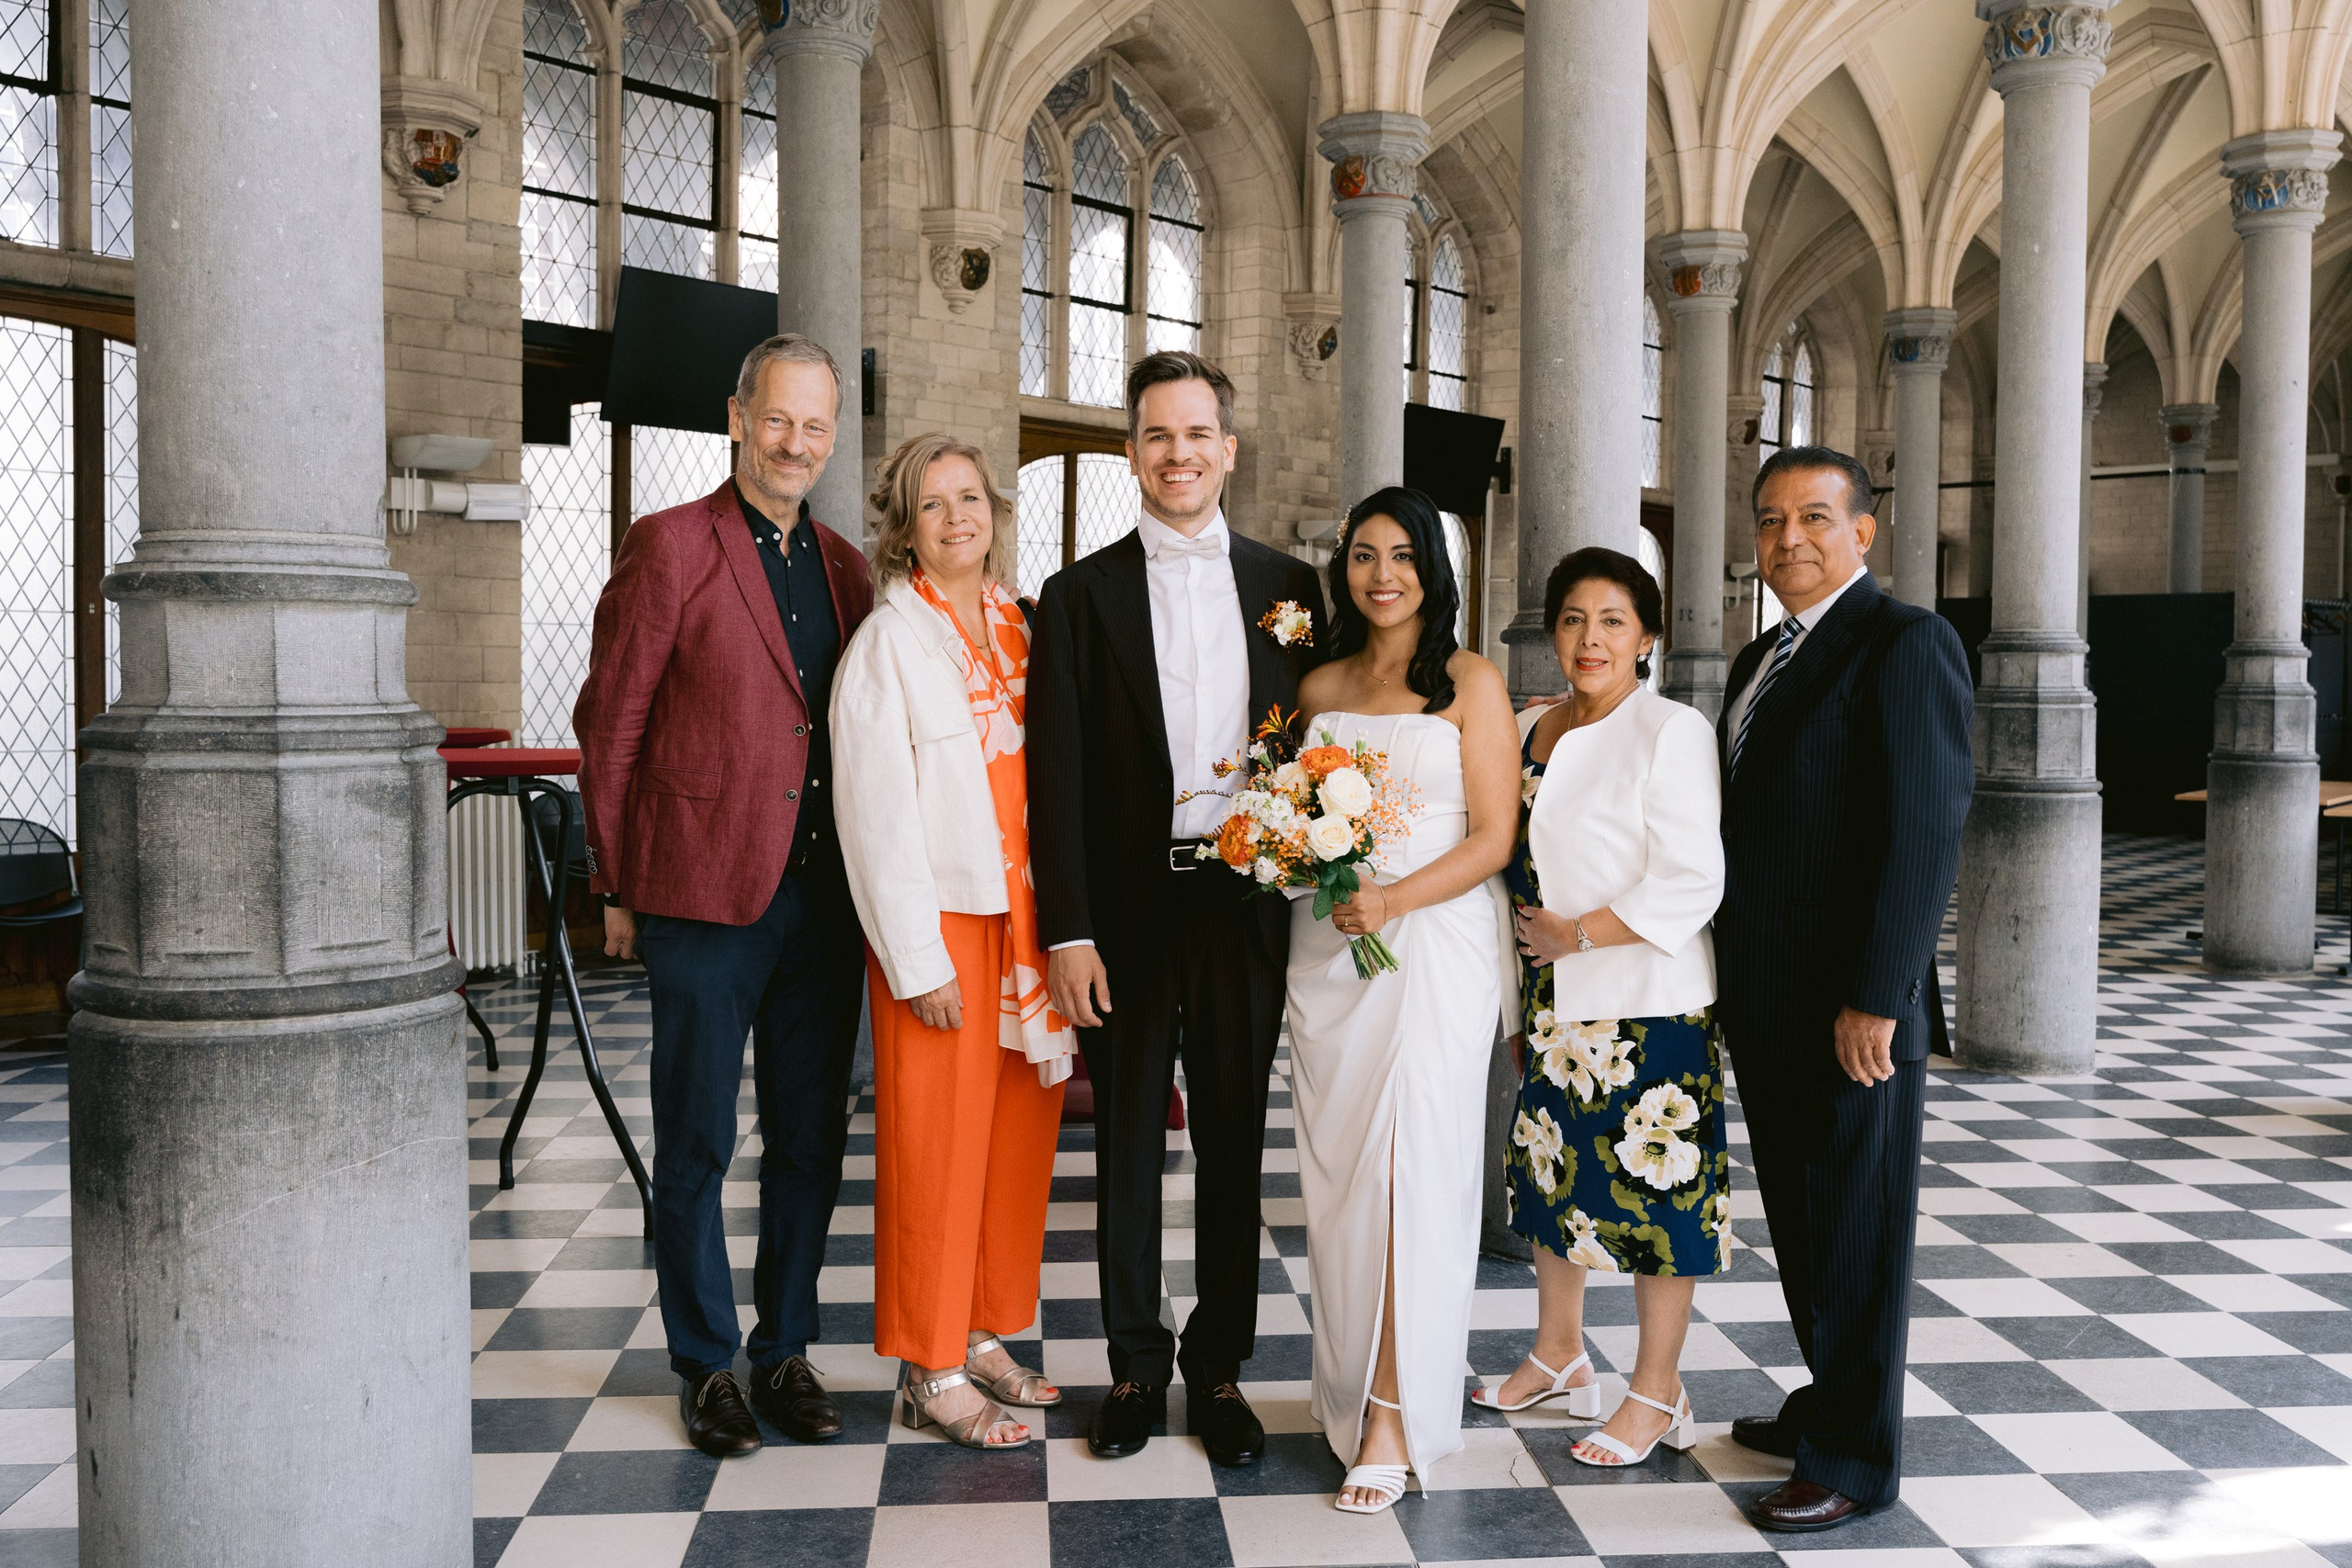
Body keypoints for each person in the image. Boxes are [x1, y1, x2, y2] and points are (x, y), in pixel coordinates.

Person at [573, 333, 874, 1460]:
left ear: (832, 437)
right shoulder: (669, 544)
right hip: (702, 892)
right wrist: (614, 882)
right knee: (696, 1137)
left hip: (822, 900)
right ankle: (705, 1363)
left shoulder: (846, 568)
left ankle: (783, 1348)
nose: (796, 442)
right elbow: (611, 723)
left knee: (808, 1139)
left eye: (816, 425)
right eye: (778, 419)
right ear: (737, 417)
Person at [1027, 350, 1326, 1467]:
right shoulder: (1077, 596)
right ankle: (1134, 1368)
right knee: (1125, 1149)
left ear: (1228, 449)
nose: (1178, 453)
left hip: (1246, 903)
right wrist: (1069, 930)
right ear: (1131, 453)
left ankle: (1221, 1369)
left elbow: (1321, 730)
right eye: (1157, 435)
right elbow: (1054, 777)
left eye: (1197, 433)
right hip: (1126, 911)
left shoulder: (1293, 591)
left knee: (1237, 1143)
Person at [1715, 445, 1972, 1533]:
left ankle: (1857, 1460)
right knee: (1804, 1220)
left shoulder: (1905, 642)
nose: (1789, 539)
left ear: (1862, 532)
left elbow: (1924, 830)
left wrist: (1879, 993)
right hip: (1766, 998)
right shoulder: (1758, 657)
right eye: (1771, 520)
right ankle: (1827, 1401)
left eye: (1814, 517)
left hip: (1851, 1009)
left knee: (1858, 1232)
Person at [832, 433, 1074, 1451]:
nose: (956, 517)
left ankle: (979, 1331)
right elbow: (873, 813)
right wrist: (914, 957)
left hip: (1029, 922)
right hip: (945, 925)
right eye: (932, 505)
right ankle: (927, 1365)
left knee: (1013, 1142)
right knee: (935, 1146)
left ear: (995, 512)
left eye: (969, 497)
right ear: (905, 529)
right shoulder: (888, 643)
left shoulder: (1025, 623)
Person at [1284, 488, 1519, 1514]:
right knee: (1343, 1178)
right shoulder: (1318, 685)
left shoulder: (1471, 681)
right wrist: (1309, 865)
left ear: (1434, 567)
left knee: (1409, 1172)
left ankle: (1393, 1408)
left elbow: (1493, 839)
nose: (1383, 576)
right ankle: (1348, 1385)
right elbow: (1290, 816)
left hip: (1432, 946)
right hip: (1332, 949)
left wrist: (1392, 897)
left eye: (1403, 556)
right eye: (1364, 556)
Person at [1476, 547, 1728, 1471]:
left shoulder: (1671, 730)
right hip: (1548, 999)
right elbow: (1505, 873)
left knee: (1660, 1202)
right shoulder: (1525, 726)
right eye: (1574, 619)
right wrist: (1520, 1006)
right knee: (1550, 1185)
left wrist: (1578, 936)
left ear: (1647, 636)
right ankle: (1559, 1354)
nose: (1591, 638)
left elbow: (1693, 878)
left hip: (1645, 1004)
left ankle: (1657, 1392)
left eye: (1614, 621)